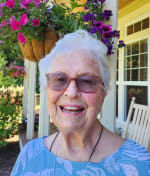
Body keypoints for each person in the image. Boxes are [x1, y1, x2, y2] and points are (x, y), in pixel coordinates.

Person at [11, 30, 150, 176]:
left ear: (103, 95)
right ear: (47, 90)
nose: (71, 93)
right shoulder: (29, 155)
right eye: (59, 79)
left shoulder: (138, 163)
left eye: (87, 81)